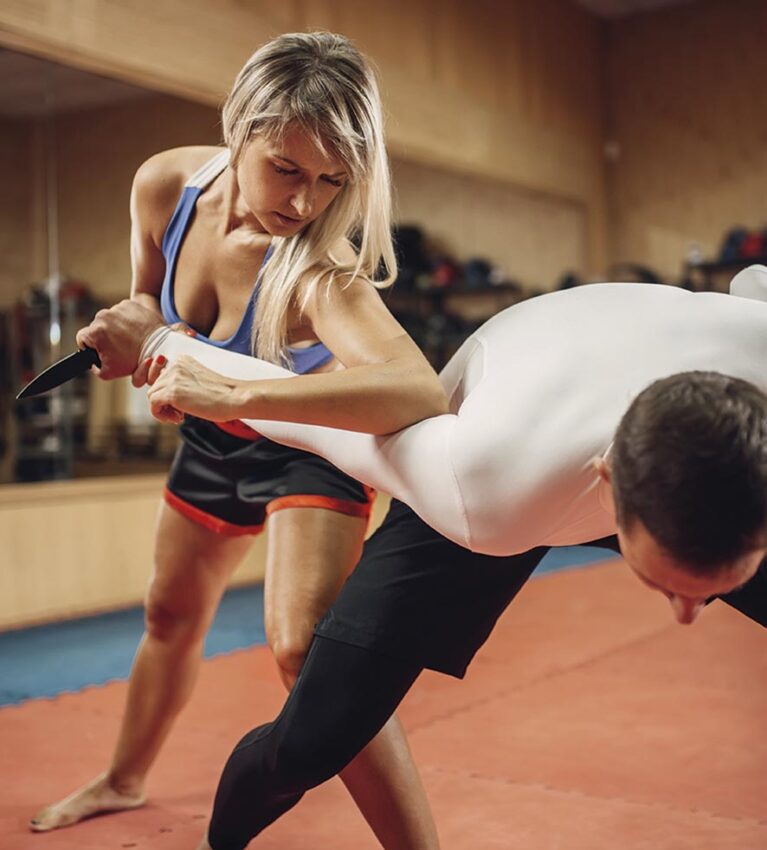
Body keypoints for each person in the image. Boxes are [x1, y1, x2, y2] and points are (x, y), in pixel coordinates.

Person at [74, 266, 767, 849]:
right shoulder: (485, 482)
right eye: (670, 587)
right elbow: (325, 427)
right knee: (312, 742)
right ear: (609, 484)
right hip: (510, 412)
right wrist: (162, 341)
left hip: (637, 399)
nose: (686, 615)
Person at [30, 32, 447, 849]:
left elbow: (417, 388)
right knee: (167, 612)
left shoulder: (323, 274)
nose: (303, 203)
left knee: (302, 649)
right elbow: (148, 309)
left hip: (307, 447)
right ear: (240, 129)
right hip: (213, 443)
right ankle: (122, 779)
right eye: (286, 169)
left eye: (332, 181)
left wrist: (234, 388)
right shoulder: (163, 187)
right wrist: (131, 337)